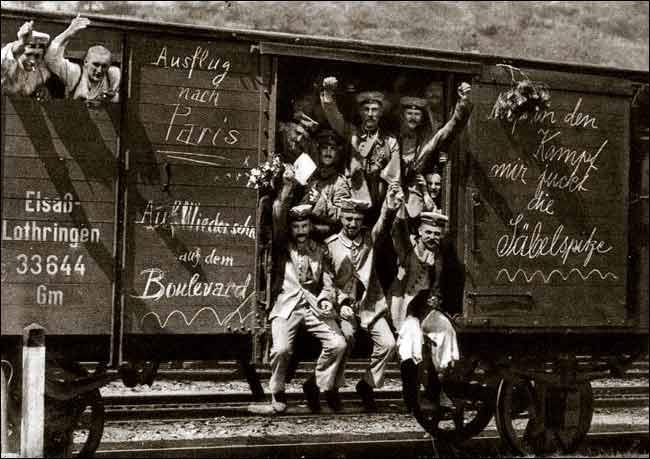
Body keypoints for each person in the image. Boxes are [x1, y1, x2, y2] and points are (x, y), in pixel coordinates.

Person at [267, 167, 348, 414]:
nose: (301, 231)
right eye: (296, 227)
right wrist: (287, 187)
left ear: (309, 226)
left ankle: (318, 385)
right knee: (281, 349)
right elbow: (279, 216)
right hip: (287, 305)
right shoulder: (283, 246)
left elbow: (328, 281)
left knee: (338, 344)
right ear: (291, 229)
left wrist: (326, 299)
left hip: (312, 305)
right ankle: (277, 390)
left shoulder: (319, 249)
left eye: (304, 226)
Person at [325, 185, 402, 411]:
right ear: (341, 217)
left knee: (388, 344)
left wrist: (389, 205)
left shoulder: (370, 239)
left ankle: (367, 384)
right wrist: (340, 303)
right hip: (344, 306)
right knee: (346, 337)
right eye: (348, 218)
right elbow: (327, 280)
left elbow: (383, 224)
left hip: (369, 305)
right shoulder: (331, 246)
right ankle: (332, 388)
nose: (352, 224)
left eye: (357, 220)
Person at [388, 208, 461, 420]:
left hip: (427, 309)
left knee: (446, 332)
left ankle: (437, 391)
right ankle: (410, 400)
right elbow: (397, 231)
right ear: (419, 231)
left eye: (437, 234)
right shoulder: (407, 249)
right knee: (411, 342)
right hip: (405, 309)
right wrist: (397, 206)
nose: (432, 237)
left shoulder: (439, 254)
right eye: (428, 232)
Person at [320, 77, 401, 220]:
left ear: (381, 113)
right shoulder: (351, 132)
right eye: (366, 109)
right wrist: (328, 94)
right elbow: (334, 117)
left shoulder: (390, 141)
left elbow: (394, 178)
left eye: (375, 110)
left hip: (379, 202)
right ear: (360, 112)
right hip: (352, 203)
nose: (370, 114)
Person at [399, 85, 472, 217]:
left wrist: (462, 104)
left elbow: (450, 128)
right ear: (403, 115)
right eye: (409, 113)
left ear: (422, 118)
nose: (413, 118)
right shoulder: (394, 138)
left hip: (415, 201)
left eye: (417, 114)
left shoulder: (427, 141)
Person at [45, 16, 121, 104]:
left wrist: (113, 96)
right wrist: (68, 34)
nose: (99, 70)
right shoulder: (75, 73)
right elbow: (50, 60)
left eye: (104, 66)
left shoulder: (113, 75)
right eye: (96, 65)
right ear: (86, 62)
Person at [300, 129, 352, 240]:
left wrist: (320, 201)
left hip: (327, 236)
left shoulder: (340, 182)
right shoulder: (310, 177)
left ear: (337, 153)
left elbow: (341, 216)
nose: (328, 152)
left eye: (332, 149)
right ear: (319, 151)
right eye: (324, 148)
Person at [1, 20, 51, 99]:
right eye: (28, 54)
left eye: (37, 56)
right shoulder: (8, 63)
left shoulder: (41, 73)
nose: (32, 60)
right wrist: (22, 42)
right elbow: (6, 56)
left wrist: (42, 89)